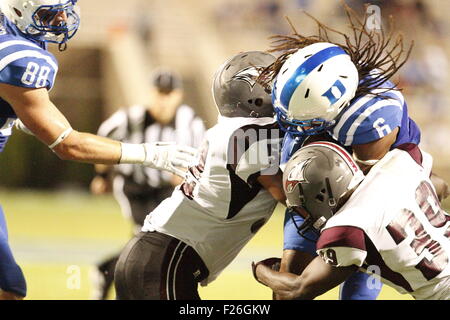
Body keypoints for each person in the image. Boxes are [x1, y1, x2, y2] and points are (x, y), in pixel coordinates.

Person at [0, 0, 197, 299]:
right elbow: (69, 145)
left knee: (9, 288)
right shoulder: (17, 57)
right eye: (49, 14)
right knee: (10, 288)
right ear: (17, 10)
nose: (62, 19)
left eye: (65, 9)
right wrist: (150, 154)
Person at [256, 4, 449, 300]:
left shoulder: (371, 119)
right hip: (380, 192)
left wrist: (259, 270)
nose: (294, 125)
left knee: (318, 286)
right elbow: (437, 185)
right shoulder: (403, 162)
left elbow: (368, 195)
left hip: (353, 204)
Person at [114, 51, 287, 300]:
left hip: (153, 257)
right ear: (258, 97)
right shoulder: (250, 136)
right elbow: (291, 197)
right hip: (167, 262)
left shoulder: (229, 129)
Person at [252, 141, 450, 300]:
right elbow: (442, 187)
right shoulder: (400, 159)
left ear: (321, 195)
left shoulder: (348, 228)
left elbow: (299, 289)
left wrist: (260, 271)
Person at [89, 69, 206, 300]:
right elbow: (102, 141)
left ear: (178, 95)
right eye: (159, 93)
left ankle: (107, 271)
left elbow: (201, 155)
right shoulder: (129, 118)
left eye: (169, 93)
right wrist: (102, 176)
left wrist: (187, 174)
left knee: (155, 241)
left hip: (167, 190)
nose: (163, 99)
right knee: (146, 238)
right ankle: (117, 277)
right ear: (150, 94)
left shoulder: (190, 122)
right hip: (134, 187)